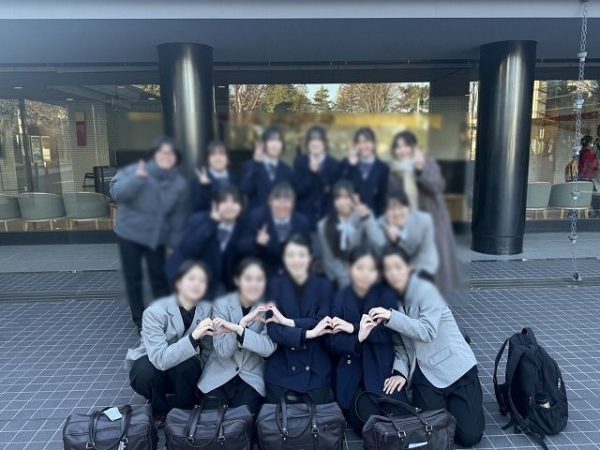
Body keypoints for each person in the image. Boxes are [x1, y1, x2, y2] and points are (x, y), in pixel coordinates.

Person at [370, 246, 485, 447]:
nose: (393, 273)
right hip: (426, 374)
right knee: (431, 432)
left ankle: (465, 403)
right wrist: (400, 372)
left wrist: (390, 317)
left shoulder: (427, 290)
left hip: (456, 370)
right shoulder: (391, 302)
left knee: (469, 437)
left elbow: (427, 331)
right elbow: (400, 346)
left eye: (398, 267)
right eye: (387, 269)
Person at [110, 136, 189, 333]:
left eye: (171, 154)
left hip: (156, 236)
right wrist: (137, 179)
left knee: (159, 276)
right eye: (163, 153)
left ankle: (165, 317)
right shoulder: (133, 170)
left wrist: (174, 244)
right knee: (133, 277)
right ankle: (140, 320)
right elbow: (117, 193)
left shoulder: (177, 182)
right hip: (130, 234)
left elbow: (178, 215)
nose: (166, 157)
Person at [328, 246, 409, 434]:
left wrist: (354, 328)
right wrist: (358, 338)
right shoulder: (339, 298)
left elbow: (386, 333)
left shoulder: (386, 295)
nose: (365, 274)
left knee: (401, 418)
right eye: (360, 268)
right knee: (368, 424)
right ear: (350, 269)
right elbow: (332, 342)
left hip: (382, 370)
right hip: (352, 374)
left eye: (371, 269)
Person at [125, 260, 213, 426]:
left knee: (189, 364)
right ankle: (159, 409)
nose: (196, 284)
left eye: (202, 281)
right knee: (143, 371)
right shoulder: (154, 312)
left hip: (185, 371)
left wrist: (206, 382)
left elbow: (209, 349)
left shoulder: (206, 308)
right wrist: (193, 338)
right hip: (155, 364)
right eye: (191, 279)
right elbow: (160, 359)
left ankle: (184, 409)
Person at [198, 258, 276, 415]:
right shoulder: (222, 304)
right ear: (237, 281)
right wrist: (242, 324)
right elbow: (222, 351)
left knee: (242, 420)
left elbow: (268, 348)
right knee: (211, 420)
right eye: (248, 279)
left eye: (259, 279)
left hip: (251, 376)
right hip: (219, 373)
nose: (254, 284)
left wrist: (239, 330)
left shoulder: (269, 307)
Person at [264, 235, 334, 404]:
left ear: (310, 257)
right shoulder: (274, 285)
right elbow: (273, 330)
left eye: (301, 255)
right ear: (284, 258)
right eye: (291, 255)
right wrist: (309, 334)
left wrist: (288, 322)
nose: (296, 260)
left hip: (316, 368)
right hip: (282, 366)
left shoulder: (324, 285)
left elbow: (323, 321)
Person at [387, 130, 460, 294]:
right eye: (398, 147)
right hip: (406, 223)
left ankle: (434, 300)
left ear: (413, 147)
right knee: (410, 264)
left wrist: (420, 169)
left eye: (406, 146)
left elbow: (436, 187)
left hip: (432, 222)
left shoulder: (427, 163)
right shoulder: (393, 171)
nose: (402, 150)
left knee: (432, 264)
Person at [166, 185, 244, 297]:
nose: (230, 206)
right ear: (215, 204)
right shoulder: (199, 220)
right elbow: (189, 249)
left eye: (235, 202)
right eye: (224, 201)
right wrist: (212, 223)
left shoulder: (241, 228)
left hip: (214, 282)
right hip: (186, 275)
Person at [317, 180, 381, 288]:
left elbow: (379, 243)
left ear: (355, 198)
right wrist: (348, 282)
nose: (342, 202)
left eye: (347, 197)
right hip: (340, 280)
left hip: (366, 274)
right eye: (338, 198)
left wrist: (366, 218)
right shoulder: (323, 225)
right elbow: (330, 261)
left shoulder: (364, 216)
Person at [238, 182, 311, 275]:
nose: (282, 205)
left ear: (293, 204)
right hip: (263, 272)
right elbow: (241, 248)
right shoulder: (256, 218)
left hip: (293, 272)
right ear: (269, 202)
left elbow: (307, 251)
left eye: (287, 201)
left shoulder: (302, 222)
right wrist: (256, 242)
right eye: (277, 200)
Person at [366, 191, 438, 281]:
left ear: (409, 208)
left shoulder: (424, 221)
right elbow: (380, 249)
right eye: (391, 209)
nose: (397, 213)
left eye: (401, 208)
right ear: (385, 212)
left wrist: (410, 271)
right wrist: (393, 241)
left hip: (422, 266)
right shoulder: (382, 223)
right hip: (395, 269)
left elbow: (426, 251)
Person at [293, 126, 341, 225]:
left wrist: (319, 173)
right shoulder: (300, 162)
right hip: (304, 217)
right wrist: (311, 173)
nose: (315, 143)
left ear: (325, 143)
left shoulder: (334, 164)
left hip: (327, 219)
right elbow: (298, 190)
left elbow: (334, 193)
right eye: (311, 140)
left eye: (319, 140)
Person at [239, 126, 293, 210]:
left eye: (278, 141)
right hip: (256, 216)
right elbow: (245, 189)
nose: (274, 145)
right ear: (263, 144)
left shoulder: (287, 170)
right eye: (271, 140)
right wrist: (256, 164)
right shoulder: (250, 165)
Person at [340, 128, 389, 216]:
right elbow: (342, 188)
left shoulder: (383, 168)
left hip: (374, 216)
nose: (363, 146)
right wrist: (351, 166)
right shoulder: (346, 164)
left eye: (367, 142)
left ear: (374, 144)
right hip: (351, 216)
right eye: (359, 142)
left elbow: (383, 198)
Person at [191, 140, 238, 212]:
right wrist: (205, 187)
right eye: (213, 154)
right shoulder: (198, 179)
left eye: (221, 154)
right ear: (208, 159)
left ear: (228, 158)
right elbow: (198, 207)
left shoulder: (235, 178)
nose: (218, 158)